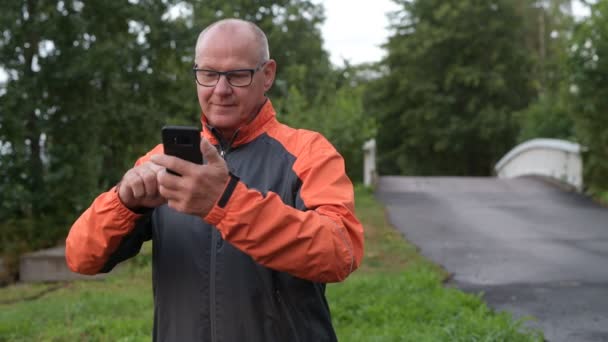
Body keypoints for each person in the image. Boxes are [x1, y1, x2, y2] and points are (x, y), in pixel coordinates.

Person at [66, 18, 364, 341]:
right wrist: (124, 203)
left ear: (267, 75)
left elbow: (340, 251)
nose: (220, 90)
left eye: (237, 75)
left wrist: (225, 201)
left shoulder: (308, 153)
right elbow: (80, 257)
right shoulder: (163, 161)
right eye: (208, 74)